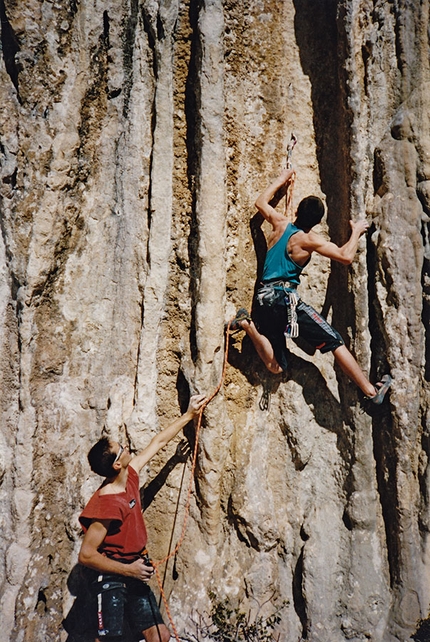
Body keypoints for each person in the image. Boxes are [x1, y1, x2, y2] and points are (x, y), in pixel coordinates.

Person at [231, 168, 391, 404]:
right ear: (316, 223)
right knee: (334, 340)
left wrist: (281, 179)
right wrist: (356, 232)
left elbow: (260, 203)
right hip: (283, 299)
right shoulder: (309, 239)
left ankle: (248, 325)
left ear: (296, 211)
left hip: (262, 299)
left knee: (276, 365)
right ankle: (370, 392)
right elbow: (345, 257)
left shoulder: (279, 223)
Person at [77, 393, 207, 642]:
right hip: (113, 576)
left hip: (135, 567)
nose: (126, 448)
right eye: (121, 449)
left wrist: (189, 415)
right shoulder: (106, 503)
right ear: (116, 465)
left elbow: (157, 443)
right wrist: (128, 570)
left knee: (160, 636)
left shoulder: (131, 475)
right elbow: (86, 555)